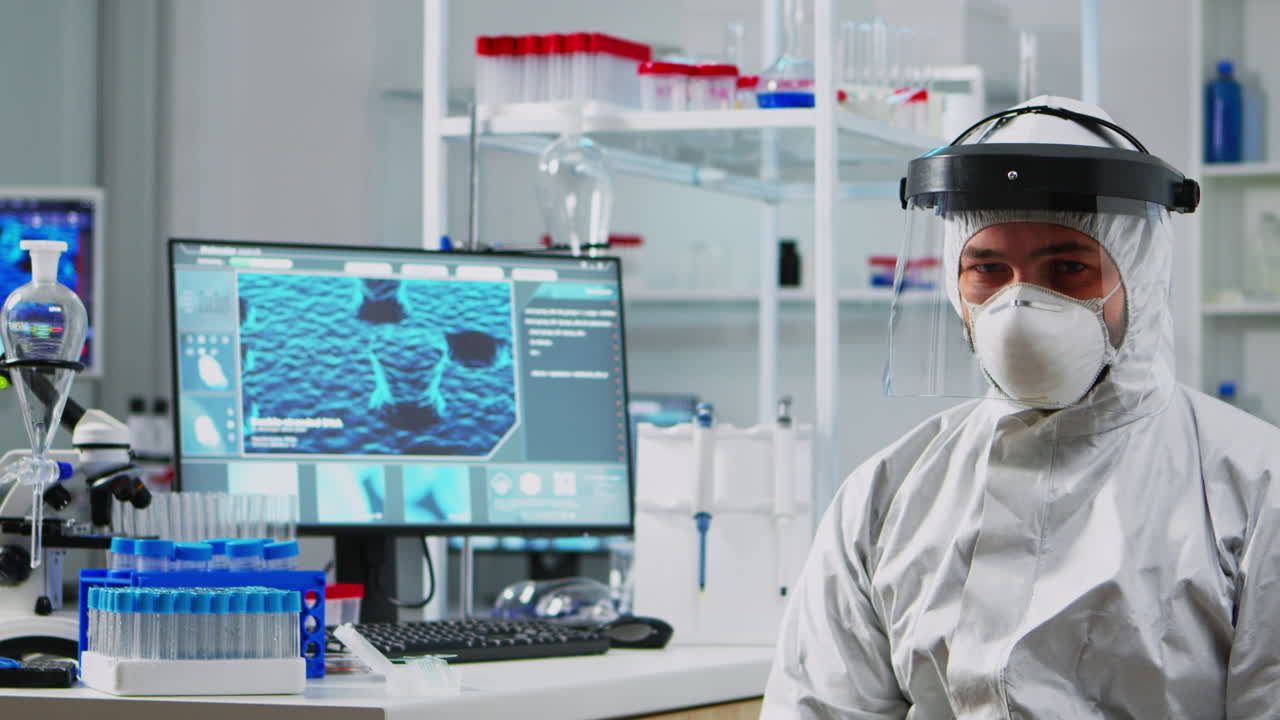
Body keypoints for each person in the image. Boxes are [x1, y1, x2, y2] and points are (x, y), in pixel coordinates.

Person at [762, 96, 1280, 718]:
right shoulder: (887, 495)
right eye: (988, 268)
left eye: (1066, 268)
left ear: (1138, 274)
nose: (1020, 306)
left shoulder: (1253, 489)